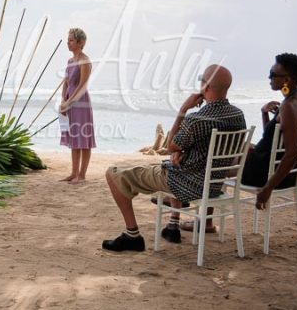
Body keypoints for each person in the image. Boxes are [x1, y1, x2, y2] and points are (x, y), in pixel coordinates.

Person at [102, 65, 246, 252]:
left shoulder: (197, 120)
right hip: (213, 185)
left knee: (113, 174)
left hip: (187, 184)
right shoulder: (238, 116)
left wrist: (183, 109)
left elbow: (170, 145)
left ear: (206, 87)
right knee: (172, 162)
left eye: (201, 80)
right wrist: (181, 152)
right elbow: (201, 148)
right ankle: (172, 224)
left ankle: (132, 235)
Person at [241, 53, 297, 210]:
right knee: (238, 146)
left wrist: (268, 188)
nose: (269, 78)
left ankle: (204, 219)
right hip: (274, 166)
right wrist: (264, 114)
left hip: (265, 174)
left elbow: (293, 153)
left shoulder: (289, 107)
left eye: (272, 75)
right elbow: (271, 138)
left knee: (217, 159)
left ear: (287, 80)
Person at [59, 28, 96, 184]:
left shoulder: (85, 61)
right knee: (74, 137)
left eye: (71, 40)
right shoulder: (70, 61)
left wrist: (70, 101)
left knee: (84, 138)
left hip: (81, 103)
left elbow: (82, 86)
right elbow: (66, 83)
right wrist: (63, 100)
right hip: (69, 102)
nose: (68, 42)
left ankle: (82, 175)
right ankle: (74, 173)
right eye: (68, 40)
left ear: (81, 43)